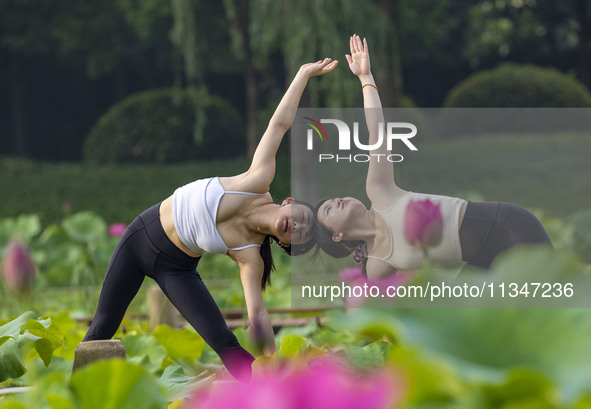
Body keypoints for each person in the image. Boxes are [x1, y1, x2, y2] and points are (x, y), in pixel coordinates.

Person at [81, 57, 339, 381]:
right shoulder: (258, 181)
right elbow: (279, 125)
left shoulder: (250, 256)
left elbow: (257, 314)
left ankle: (273, 393)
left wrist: (272, 360)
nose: (297, 225)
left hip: (176, 269)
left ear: (286, 244)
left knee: (224, 341)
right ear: (290, 202)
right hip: (139, 239)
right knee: (101, 328)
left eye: (300, 234)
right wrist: (302, 75)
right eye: (300, 217)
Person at [312, 35, 551, 278]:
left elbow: (377, 133)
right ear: (337, 236)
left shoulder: (379, 191)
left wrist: (366, 78)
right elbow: (375, 300)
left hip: (511, 228)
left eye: (334, 199)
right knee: (463, 313)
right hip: (482, 260)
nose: (337, 201)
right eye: (330, 210)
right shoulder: (377, 265)